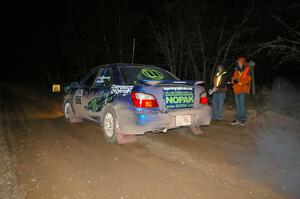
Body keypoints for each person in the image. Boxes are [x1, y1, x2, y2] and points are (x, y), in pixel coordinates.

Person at [230, 56, 252, 126]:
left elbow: (248, 79)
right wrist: (234, 81)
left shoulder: (247, 69)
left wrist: (241, 82)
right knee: (237, 104)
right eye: (238, 63)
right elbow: (233, 78)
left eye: (240, 62)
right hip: (236, 89)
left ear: (243, 63)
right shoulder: (236, 70)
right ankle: (238, 119)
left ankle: (243, 119)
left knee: (242, 104)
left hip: (243, 89)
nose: (239, 64)